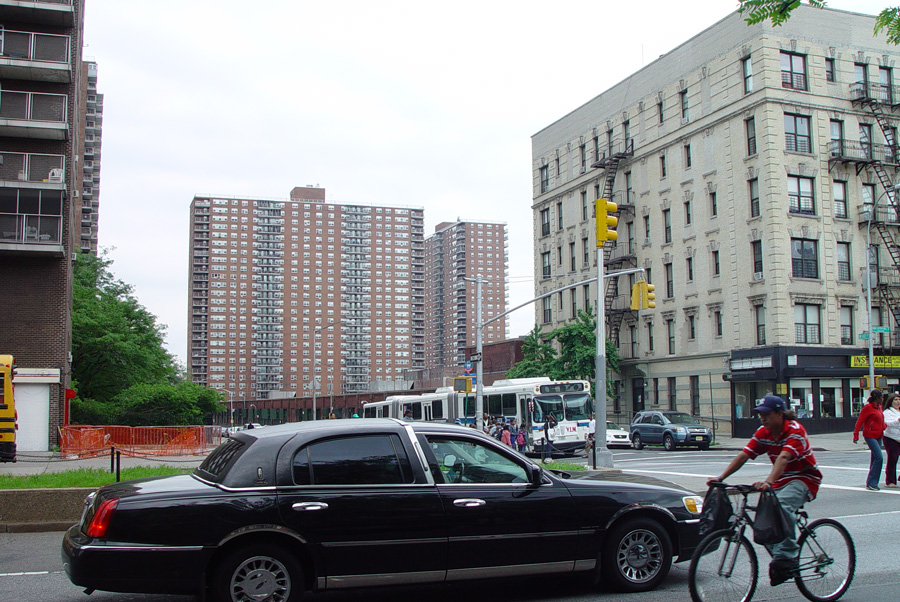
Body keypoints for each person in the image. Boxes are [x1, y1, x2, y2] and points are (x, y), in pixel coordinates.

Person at [707, 395, 822, 587]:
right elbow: (744, 455)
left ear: (779, 414)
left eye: (766, 414)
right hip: (780, 481)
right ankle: (780, 559)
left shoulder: (795, 431)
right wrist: (721, 478)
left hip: (804, 479)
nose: (762, 418)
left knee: (781, 506)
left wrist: (768, 481)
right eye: (760, 414)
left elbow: (784, 457)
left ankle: (787, 556)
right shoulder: (764, 432)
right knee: (764, 519)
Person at [853, 389, 886, 491]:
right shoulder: (868, 407)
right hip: (870, 435)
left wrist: (884, 427)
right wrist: (856, 435)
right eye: (881, 398)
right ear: (877, 398)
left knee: (875, 458)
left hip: (878, 435)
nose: (883, 399)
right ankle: (872, 482)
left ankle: (871, 482)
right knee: (879, 457)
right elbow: (860, 421)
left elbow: (881, 420)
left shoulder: (879, 407)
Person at [882, 393, 900, 488]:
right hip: (891, 438)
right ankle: (890, 481)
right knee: (893, 458)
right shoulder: (887, 412)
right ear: (891, 402)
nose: (898, 402)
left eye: (898, 400)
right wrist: (897, 421)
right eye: (895, 400)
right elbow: (887, 423)